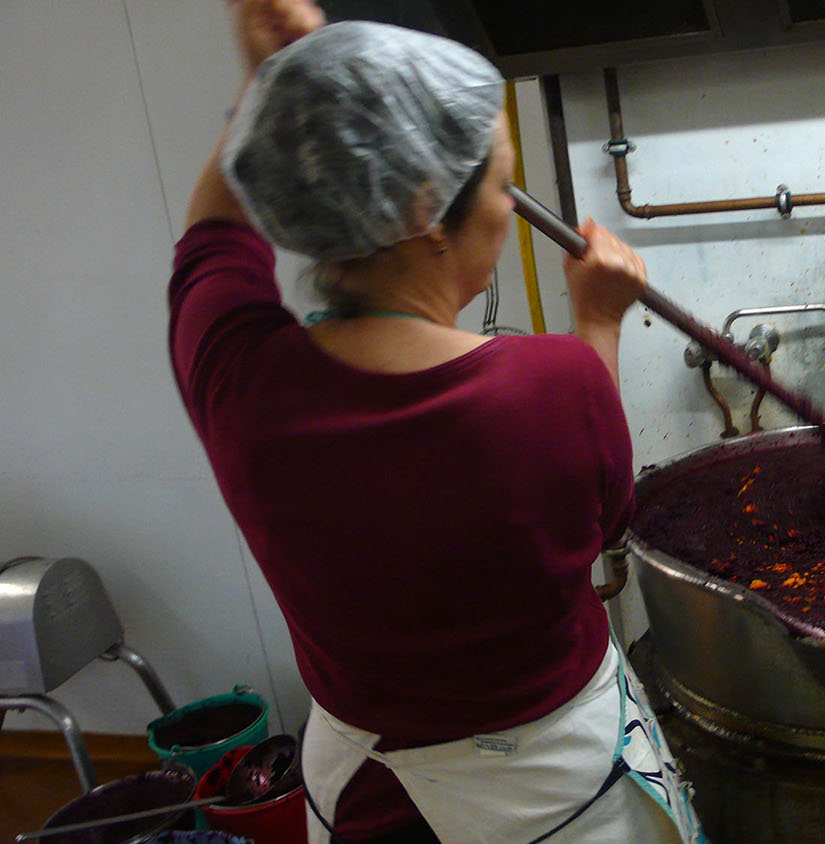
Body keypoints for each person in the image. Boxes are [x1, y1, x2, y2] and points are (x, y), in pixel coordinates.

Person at [170, 2, 702, 842]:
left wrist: (271, 88)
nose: (506, 209)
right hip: (555, 801)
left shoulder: (238, 377)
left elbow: (209, 241)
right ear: (425, 207)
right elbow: (606, 525)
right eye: (500, 184)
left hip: (363, 801)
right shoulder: (555, 385)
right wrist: (599, 321)